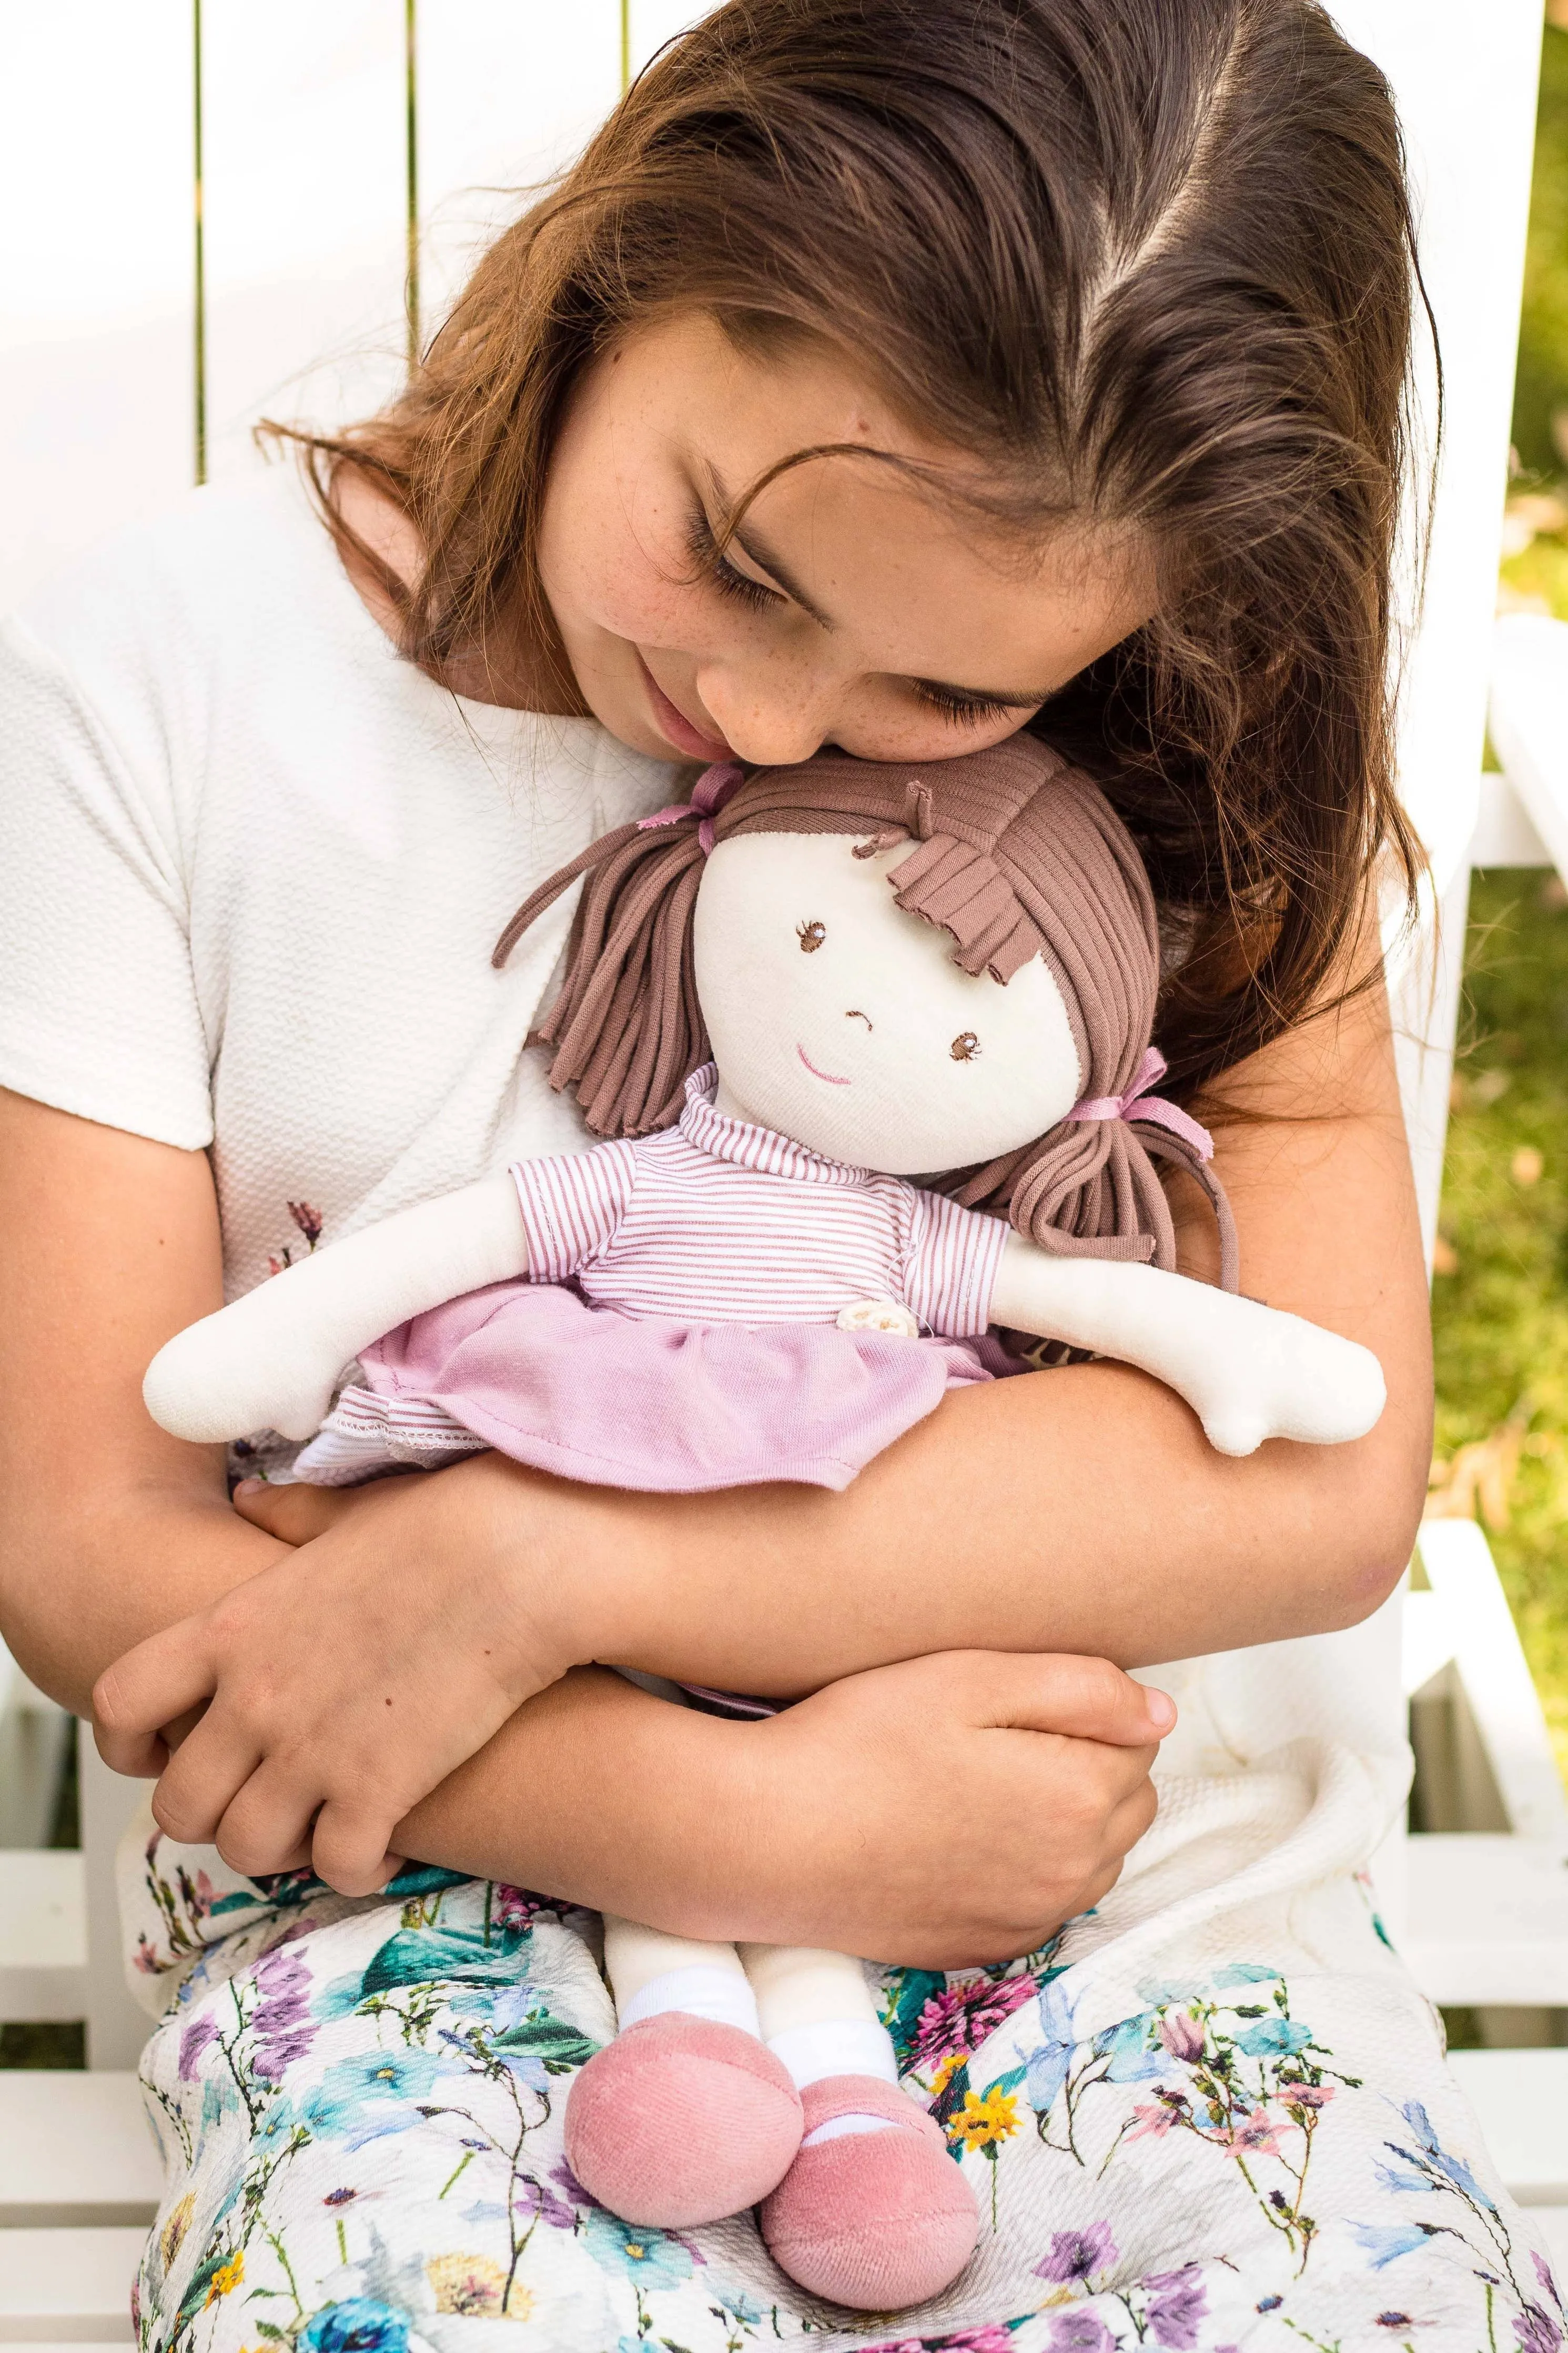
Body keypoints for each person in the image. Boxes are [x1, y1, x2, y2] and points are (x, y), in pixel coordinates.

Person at [0, 2, 1544, 2346]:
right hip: (426, 1842)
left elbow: (1311, 1482)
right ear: (639, 246)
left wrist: (534, 1551)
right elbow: (95, 1543)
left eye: (945, 696)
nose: (773, 722)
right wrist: (729, 1820)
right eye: (735, 553)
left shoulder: (1175, 729)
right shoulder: (159, 682)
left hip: (1095, 1829)